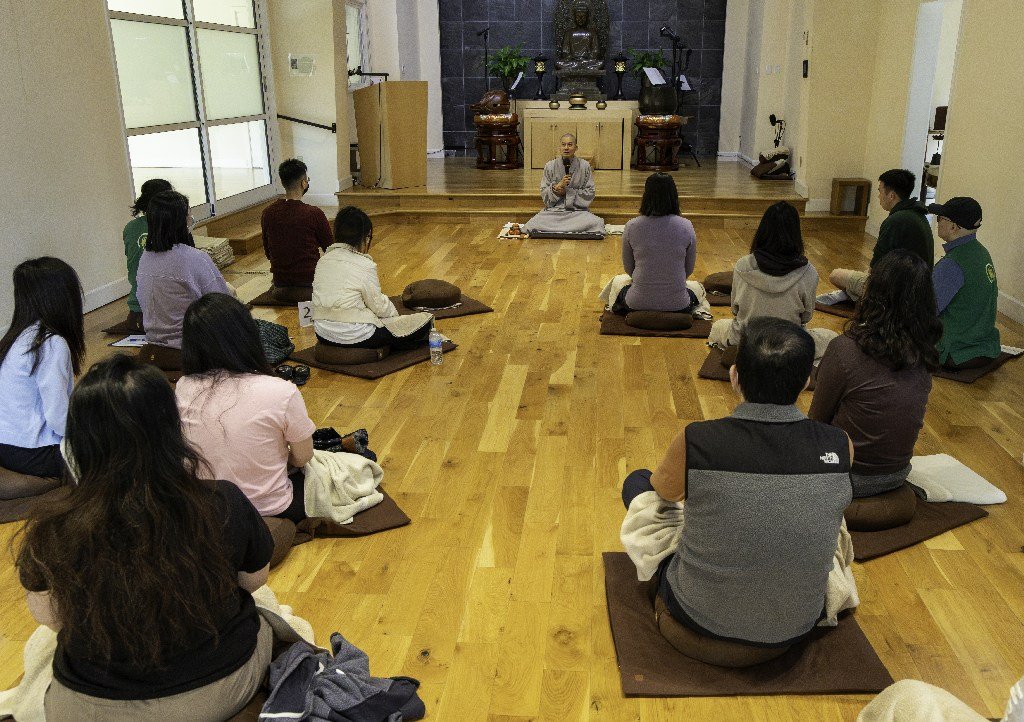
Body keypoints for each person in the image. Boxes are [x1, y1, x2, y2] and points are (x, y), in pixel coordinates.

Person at [16, 354, 274, 720]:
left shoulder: (52, 528)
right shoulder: (223, 501)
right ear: (171, 431)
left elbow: (51, 618)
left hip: (89, 710)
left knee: (39, 647)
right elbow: (253, 581)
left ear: (78, 444)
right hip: (217, 690)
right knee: (268, 614)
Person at [621, 317, 853, 650]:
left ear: (734, 376)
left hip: (698, 614)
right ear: (806, 382)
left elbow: (665, 494)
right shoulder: (840, 444)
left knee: (638, 482)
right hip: (802, 619)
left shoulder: (696, 439)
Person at [809, 250, 941, 498]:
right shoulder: (924, 354)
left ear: (873, 292)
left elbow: (816, 424)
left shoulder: (844, 349)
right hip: (896, 475)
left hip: (841, 474)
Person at [177, 293, 316, 522]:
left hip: (207, 509)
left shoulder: (183, 387)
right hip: (271, 509)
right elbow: (303, 457)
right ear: (247, 335)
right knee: (323, 473)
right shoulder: (281, 391)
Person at [709, 201, 834, 360]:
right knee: (831, 337)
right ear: (796, 233)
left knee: (717, 327)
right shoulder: (809, 272)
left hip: (746, 341)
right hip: (790, 345)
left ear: (763, 231)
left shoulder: (742, 265)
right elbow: (806, 316)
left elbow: (735, 308)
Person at [0, 258, 85, 478]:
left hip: (6, 445)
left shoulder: (18, 336)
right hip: (32, 452)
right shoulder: (51, 343)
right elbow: (58, 417)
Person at [312, 206, 432, 350]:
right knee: (425, 321)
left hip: (322, 332)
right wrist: (395, 316)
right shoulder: (365, 264)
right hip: (356, 335)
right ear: (366, 237)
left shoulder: (323, 260)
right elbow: (379, 307)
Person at [136, 190, 229, 367]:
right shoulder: (194, 258)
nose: (191, 219)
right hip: (191, 348)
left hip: (152, 347)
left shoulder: (145, 258)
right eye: (189, 214)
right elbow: (223, 306)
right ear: (180, 221)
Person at [818, 169, 933, 305]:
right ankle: (856, 295)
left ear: (891, 195)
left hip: (897, 292)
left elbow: (876, 266)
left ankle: (864, 299)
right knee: (858, 277)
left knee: (836, 275)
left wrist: (865, 281)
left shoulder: (895, 221)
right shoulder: (918, 215)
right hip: (918, 288)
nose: (878, 196)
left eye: (880, 191)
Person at [927, 196, 1001, 370]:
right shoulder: (982, 253)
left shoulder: (952, 264)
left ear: (953, 227)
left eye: (940, 219)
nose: (938, 222)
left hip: (954, 349)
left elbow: (926, 310)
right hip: (984, 345)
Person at [613, 173, 698, 314]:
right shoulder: (686, 226)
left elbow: (629, 269)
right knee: (697, 289)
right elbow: (688, 270)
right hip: (678, 304)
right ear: (674, 196)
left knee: (618, 283)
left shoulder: (632, 226)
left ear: (646, 196)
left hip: (637, 302)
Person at [261, 158, 333, 301]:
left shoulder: (268, 213)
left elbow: (268, 253)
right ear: (304, 183)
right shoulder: (314, 213)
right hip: (311, 288)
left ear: (283, 183)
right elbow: (331, 249)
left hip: (280, 289)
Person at [522, 133, 605, 236]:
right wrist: (556, 189)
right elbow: (544, 192)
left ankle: (555, 230)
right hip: (554, 212)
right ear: (559, 147)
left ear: (576, 148)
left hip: (577, 212)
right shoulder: (550, 166)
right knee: (533, 223)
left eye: (570, 145)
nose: (566, 148)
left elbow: (590, 192)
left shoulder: (584, 166)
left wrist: (567, 192)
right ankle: (572, 229)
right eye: (563, 144)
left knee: (596, 222)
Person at [121, 178, 172, 332]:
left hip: (137, 308)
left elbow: (132, 259)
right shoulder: (170, 227)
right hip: (166, 308)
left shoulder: (130, 227)